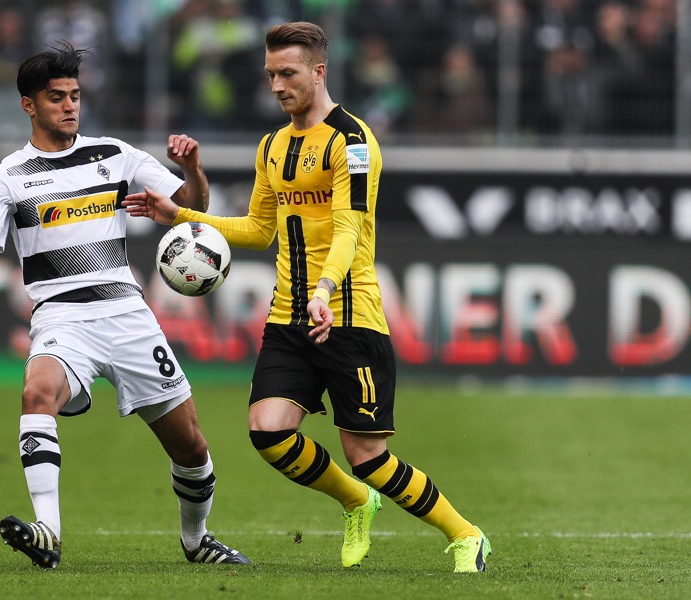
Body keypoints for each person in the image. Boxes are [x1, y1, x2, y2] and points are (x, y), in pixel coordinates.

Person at [124, 21, 491, 572]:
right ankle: (353, 502)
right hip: (289, 315)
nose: (276, 85)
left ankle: (465, 534)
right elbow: (258, 228)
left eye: (288, 73)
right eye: (271, 74)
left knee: (366, 456)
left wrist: (324, 289)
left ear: (319, 71)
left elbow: (349, 228)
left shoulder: (353, 141)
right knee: (268, 431)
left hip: (348, 315)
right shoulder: (272, 146)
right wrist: (184, 215)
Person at [0, 42, 249, 569]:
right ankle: (48, 531)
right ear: (29, 105)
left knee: (192, 449)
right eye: (56, 97)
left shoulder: (114, 154)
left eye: (75, 96)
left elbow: (195, 209)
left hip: (129, 317)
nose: (69, 106)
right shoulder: (7, 177)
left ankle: (196, 538)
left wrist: (193, 169)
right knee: (36, 391)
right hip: (62, 320)